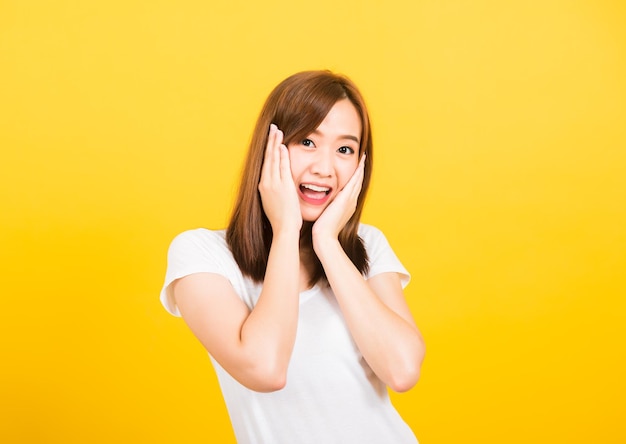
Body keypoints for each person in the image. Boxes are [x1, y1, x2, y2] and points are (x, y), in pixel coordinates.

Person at [160, 70, 426, 444]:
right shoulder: (203, 255)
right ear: (270, 148)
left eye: (345, 149)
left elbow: (401, 371)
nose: (324, 167)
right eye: (307, 141)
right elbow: (266, 369)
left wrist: (328, 244)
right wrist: (285, 231)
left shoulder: (368, 244)